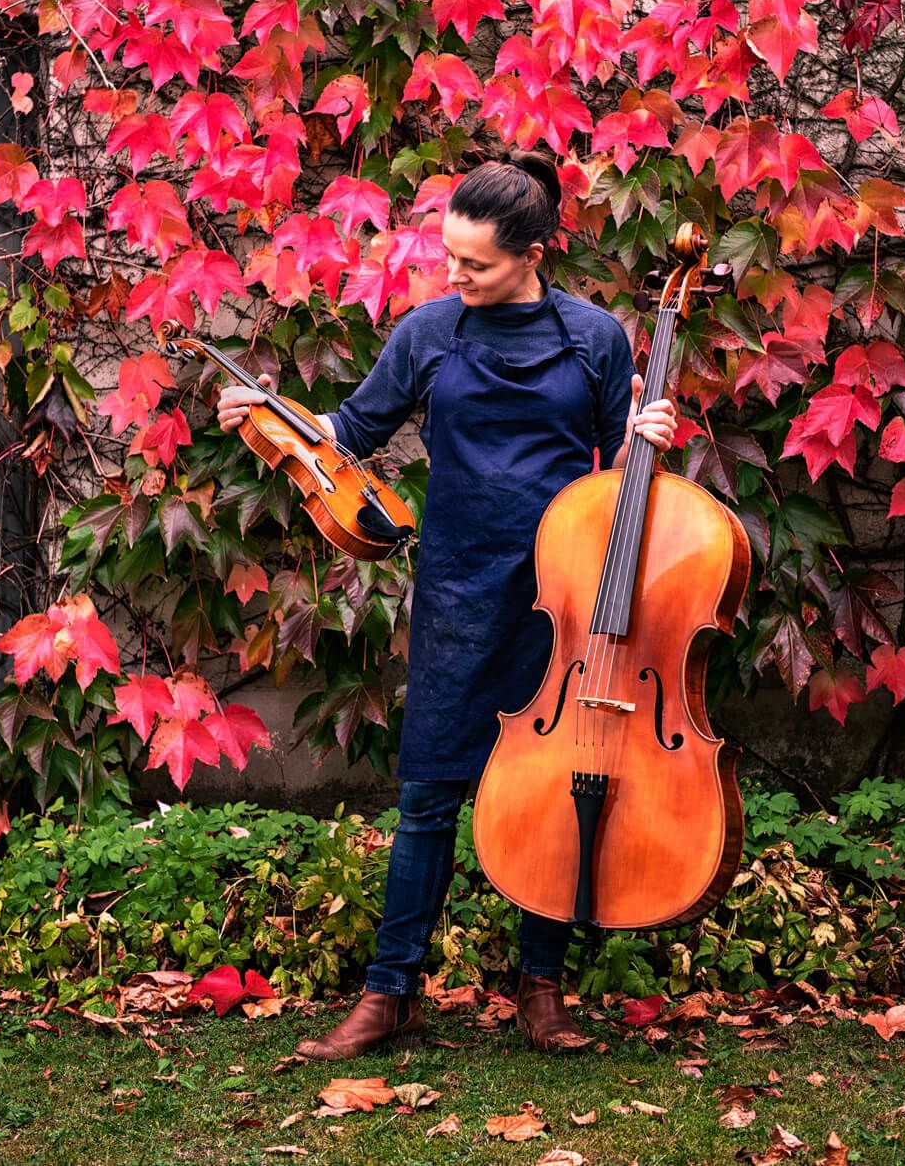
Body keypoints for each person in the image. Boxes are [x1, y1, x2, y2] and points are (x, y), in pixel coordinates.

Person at [217, 153, 678, 1058]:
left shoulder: (594, 338)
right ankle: (390, 995)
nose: (453, 274)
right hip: (459, 590)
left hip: (561, 599)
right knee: (428, 795)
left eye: (474, 263)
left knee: (557, 793)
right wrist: (264, 419)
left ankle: (539, 992)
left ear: (534, 252)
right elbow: (346, 439)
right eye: (449, 256)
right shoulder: (427, 332)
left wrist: (639, 438)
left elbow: (620, 488)